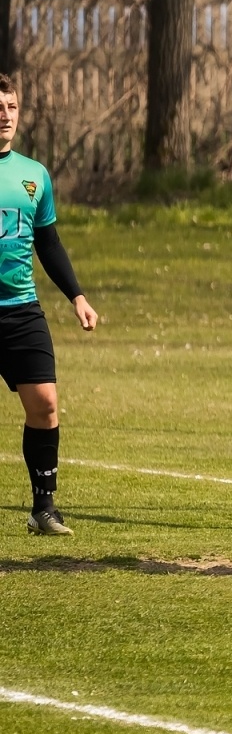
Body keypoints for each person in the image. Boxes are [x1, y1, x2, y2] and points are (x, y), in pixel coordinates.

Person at [0, 74, 97, 536]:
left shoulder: (33, 174)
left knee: (45, 405)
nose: (5, 116)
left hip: (20, 308)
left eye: (12, 107)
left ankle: (44, 508)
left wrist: (76, 295)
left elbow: (48, 242)